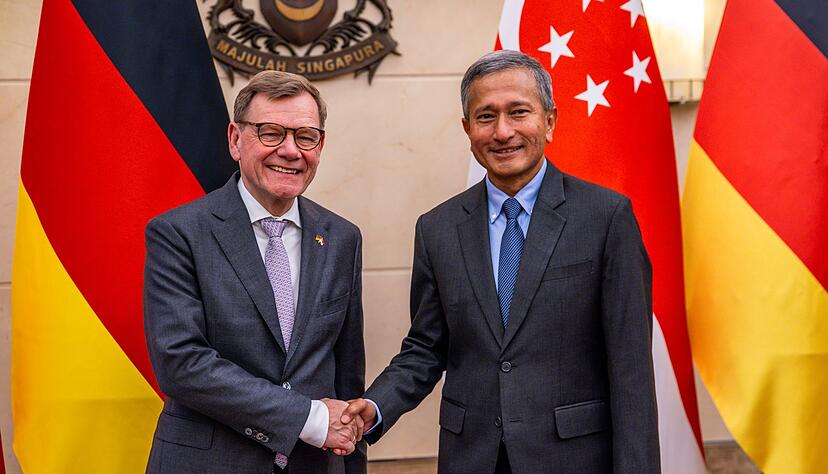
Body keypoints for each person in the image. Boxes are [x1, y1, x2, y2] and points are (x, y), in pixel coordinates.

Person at [343, 50, 660, 473]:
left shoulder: (605, 218)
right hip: (472, 457)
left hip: (574, 459)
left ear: (549, 120)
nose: (503, 131)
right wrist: (375, 406)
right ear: (466, 128)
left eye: (519, 112)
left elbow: (631, 369)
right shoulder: (437, 228)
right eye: (486, 116)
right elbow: (425, 348)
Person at [144, 71, 366, 474]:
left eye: (305, 136)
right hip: (208, 464)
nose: (290, 150)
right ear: (235, 139)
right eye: (270, 133)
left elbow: (347, 374)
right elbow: (182, 364)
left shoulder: (342, 237)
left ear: (320, 145)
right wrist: (310, 419)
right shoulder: (179, 233)